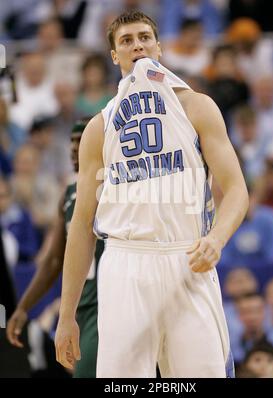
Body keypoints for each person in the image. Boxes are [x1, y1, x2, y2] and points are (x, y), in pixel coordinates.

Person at [55, 10, 249, 378]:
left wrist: (217, 238)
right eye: (126, 41)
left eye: (144, 37)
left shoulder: (197, 106)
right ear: (114, 55)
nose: (137, 45)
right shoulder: (99, 128)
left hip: (188, 256)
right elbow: (81, 226)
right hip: (127, 263)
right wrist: (67, 316)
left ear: (158, 47)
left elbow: (237, 190)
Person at [6, 120, 104, 378]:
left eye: (80, 141)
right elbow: (52, 260)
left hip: (105, 306)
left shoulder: (116, 190)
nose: (74, 148)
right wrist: (23, 308)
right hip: (79, 307)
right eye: (71, 141)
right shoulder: (70, 193)